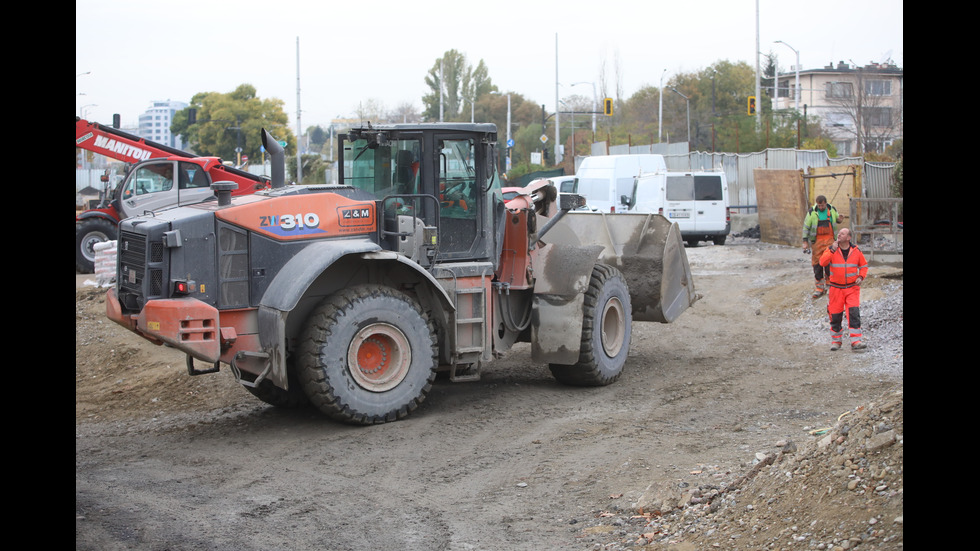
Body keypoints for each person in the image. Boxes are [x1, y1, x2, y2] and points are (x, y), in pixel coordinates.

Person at [819, 228, 868, 351]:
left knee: (854, 314)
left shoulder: (856, 251)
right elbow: (822, 262)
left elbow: (863, 266)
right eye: (839, 233)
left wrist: (861, 276)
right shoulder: (831, 250)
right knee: (835, 315)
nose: (839, 235)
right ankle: (836, 341)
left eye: (843, 233)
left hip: (852, 288)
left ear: (849, 237)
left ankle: (856, 341)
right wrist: (832, 250)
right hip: (836, 289)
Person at [802, 195, 842, 298]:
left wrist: (840, 219)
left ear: (826, 203)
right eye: (819, 205)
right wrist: (805, 241)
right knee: (817, 264)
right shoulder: (812, 212)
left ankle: (830, 285)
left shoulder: (832, 209)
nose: (820, 207)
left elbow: (837, 219)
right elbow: (806, 227)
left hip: (830, 240)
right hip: (817, 242)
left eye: (822, 205)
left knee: (830, 262)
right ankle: (819, 287)